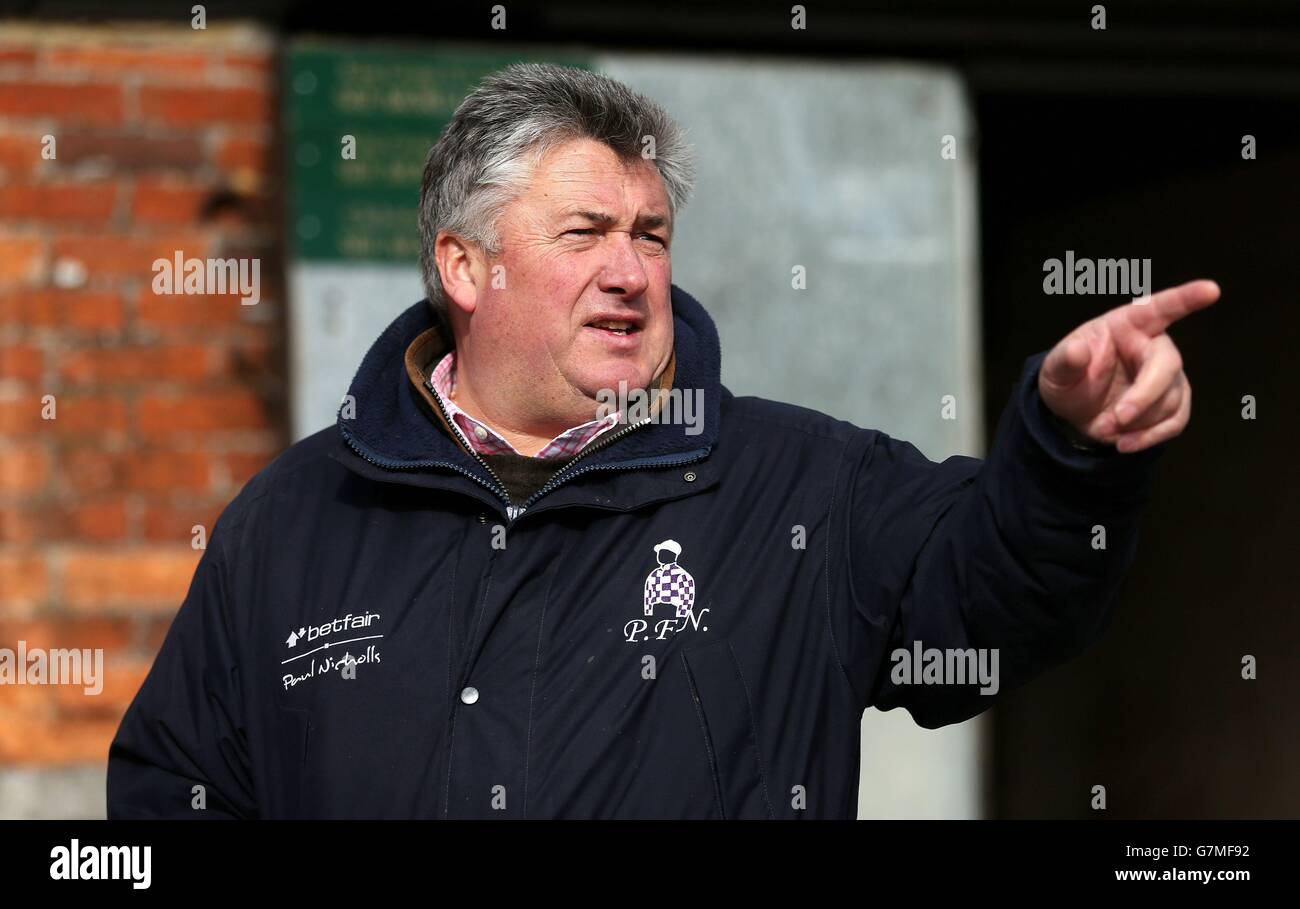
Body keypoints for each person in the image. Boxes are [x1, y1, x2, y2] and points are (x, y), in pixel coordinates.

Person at [107, 62, 1218, 819]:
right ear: (463, 268)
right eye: (583, 232)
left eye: (649, 235)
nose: (630, 271)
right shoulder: (295, 521)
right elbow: (172, 795)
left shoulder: (804, 489)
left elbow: (1001, 588)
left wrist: (1068, 446)